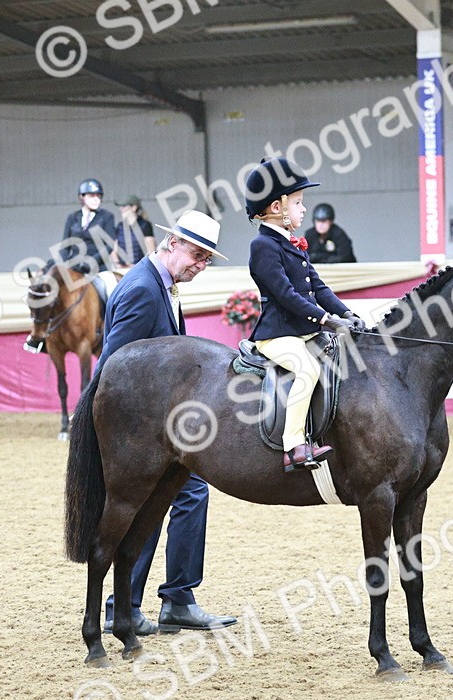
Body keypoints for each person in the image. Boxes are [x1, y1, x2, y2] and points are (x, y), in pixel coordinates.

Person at [96, 209, 236, 635]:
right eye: (197, 253)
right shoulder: (142, 289)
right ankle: (136, 601)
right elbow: (114, 365)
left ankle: (169, 598)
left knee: (186, 495)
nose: (201, 264)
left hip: (161, 426)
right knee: (162, 501)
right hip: (142, 430)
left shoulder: (159, 282)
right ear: (172, 243)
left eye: (208, 258)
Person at [244, 157, 365, 472]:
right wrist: (326, 321)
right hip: (277, 335)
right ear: (276, 207)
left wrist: (346, 312)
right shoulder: (263, 247)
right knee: (307, 369)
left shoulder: (294, 245)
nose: (303, 209)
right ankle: (293, 445)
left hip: (304, 331)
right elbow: (286, 296)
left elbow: (319, 288)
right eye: (298, 203)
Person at [59, 178, 118, 273]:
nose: (96, 199)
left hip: (99, 268)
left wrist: (92, 261)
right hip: (75, 267)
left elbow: (109, 245)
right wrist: (59, 263)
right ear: (81, 197)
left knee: (110, 285)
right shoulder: (72, 217)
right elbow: (65, 246)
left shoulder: (107, 217)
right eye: (91, 196)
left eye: (98, 196)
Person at [112, 194, 157, 268]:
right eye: (120, 207)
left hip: (138, 268)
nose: (120, 209)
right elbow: (114, 250)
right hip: (121, 269)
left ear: (134, 208)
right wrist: (118, 264)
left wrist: (137, 267)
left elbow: (151, 251)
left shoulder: (145, 225)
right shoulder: (120, 226)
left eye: (124, 207)